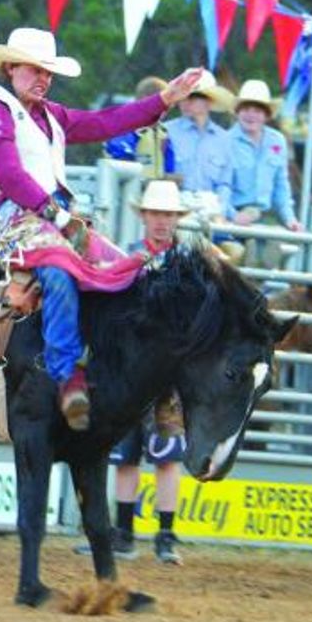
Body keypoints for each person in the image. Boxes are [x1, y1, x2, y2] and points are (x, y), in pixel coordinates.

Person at [0, 27, 202, 431]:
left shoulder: (50, 116)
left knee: (134, 272)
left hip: (59, 219)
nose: (43, 78)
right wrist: (50, 211)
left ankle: (158, 387)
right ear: (10, 67)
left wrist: (164, 99)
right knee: (57, 272)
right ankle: (66, 375)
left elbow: (105, 121)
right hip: (19, 220)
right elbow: (6, 169)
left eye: (48, 72)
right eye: (34, 69)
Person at [75, 179, 189, 564]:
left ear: (176, 219)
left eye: (168, 215)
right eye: (156, 214)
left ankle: (164, 535)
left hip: (164, 375)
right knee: (126, 455)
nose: (162, 221)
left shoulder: (180, 263)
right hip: (130, 371)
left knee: (165, 456)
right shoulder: (132, 259)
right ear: (144, 216)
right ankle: (126, 532)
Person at [227, 79, 303, 269]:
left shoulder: (277, 141)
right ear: (237, 112)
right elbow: (221, 185)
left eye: (258, 110)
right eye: (246, 109)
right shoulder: (225, 141)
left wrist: (289, 219)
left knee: (275, 254)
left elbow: (281, 186)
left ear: (267, 115)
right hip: (236, 216)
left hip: (265, 215)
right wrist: (233, 215)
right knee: (248, 257)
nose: (251, 115)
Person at [165, 69, 234, 221]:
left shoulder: (224, 139)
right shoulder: (166, 132)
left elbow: (225, 184)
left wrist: (220, 211)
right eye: (183, 95)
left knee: (233, 246)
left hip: (211, 217)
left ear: (209, 101)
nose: (185, 101)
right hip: (174, 215)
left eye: (193, 96)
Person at [103, 76, 177, 179]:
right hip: (127, 190)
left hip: (155, 191)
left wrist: (170, 178)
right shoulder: (127, 125)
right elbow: (119, 154)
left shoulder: (163, 133)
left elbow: (169, 166)